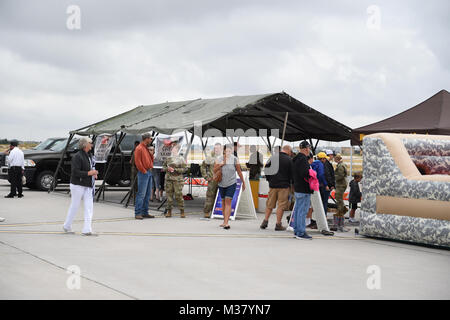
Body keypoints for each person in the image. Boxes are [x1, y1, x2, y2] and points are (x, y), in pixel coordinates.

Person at [63, 137, 98, 236]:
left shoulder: (89, 155)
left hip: (87, 185)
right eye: (90, 143)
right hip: (77, 185)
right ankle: (67, 225)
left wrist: (93, 173)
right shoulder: (77, 156)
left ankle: (87, 229)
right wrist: (89, 173)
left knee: (89, 207)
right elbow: (75, 172)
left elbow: (90, 168)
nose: (92, 145)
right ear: (85, 144)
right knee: (75, 205)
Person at [261, 145, 293, 231]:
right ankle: (278, 224)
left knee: (270, 204)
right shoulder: (289, 160)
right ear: (289, 151)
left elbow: (266, 170)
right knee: (281, 205)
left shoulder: (272, 158)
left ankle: (265, 221)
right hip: (284, 186)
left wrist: (269, 180)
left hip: (273, 185)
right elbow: (292, 174)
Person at [214, 144, 246, 229]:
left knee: (228, 201)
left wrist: (243, 182)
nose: (228, 152)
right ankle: (224, 221)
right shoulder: (219, 158)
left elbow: (239, 172)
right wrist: (221, 164)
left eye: (229, 151)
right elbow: (214, 170)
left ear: (231, 151)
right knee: (223, 202)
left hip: (231, 183)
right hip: (221, 183)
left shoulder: (235, 159)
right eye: (226, 150)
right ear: (224, 151)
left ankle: (226, 222)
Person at [291, 141, 314, 240]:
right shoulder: (303, 159)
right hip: (304, 188)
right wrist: (312, 174)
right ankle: (300, 232)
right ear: (306, 148)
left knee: (297, 210)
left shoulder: (295, 159)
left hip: (297, 187)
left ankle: (297, 230)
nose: (309, 150)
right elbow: (305, 173)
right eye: (309, 148)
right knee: (302, 211)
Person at [163, 143, 188, 218]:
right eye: (171, 148)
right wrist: (167, 168)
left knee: (178, 196)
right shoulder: (168, 158)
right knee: (169, 196)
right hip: (169, 179)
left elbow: (185, 169)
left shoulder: (181, 158)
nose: (172, 150)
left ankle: (182, 211)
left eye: (174, 148)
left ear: (177, 149)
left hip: (178, 180)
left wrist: (175, 169)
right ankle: (169, 211)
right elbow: (163, 167)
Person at [134, 133, 154, 220]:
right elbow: (137, 162)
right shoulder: (139, 148)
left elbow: (150, 160)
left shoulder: (145, 148)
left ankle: (145, 212)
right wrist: (144, 171)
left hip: (148, 172)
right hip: (144, 172)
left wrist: (151, 154)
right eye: (150, 139)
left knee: (147, 194)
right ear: (146, 139)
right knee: (141, 194)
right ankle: (138, 213)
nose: (151, 140)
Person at [201, 143, 222, 218]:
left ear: (221, 149)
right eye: (215, 148)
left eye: (218, 148)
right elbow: (202, 167)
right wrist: (206, 176)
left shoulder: (224, 157)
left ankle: (217, 211)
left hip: (222, 180)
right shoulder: (210, 158)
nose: (217, 150)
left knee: (221, 196)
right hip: (212, 180)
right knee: (210, 196)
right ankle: (207, 212)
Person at [333, 153, 349, 232]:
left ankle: (341, 210)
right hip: (342, 184)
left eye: (335, 159)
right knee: (338, 198)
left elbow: (340, 175)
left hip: (341, 184)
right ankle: (341, 209)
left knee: (338, 198)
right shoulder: (342, 164)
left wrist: (333, 178)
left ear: (337, 159)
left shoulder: (340, 166)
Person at [323, 149, 336, 215]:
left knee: (324, 201)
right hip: (327, 186)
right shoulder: (326, 164)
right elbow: (328, 175)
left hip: (326, 185)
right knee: (324, 202)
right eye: (332, 155)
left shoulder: (326, 163)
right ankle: (324, 216)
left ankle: (324, 216)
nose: (332, 157)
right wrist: (331, 185)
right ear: (329, 155)